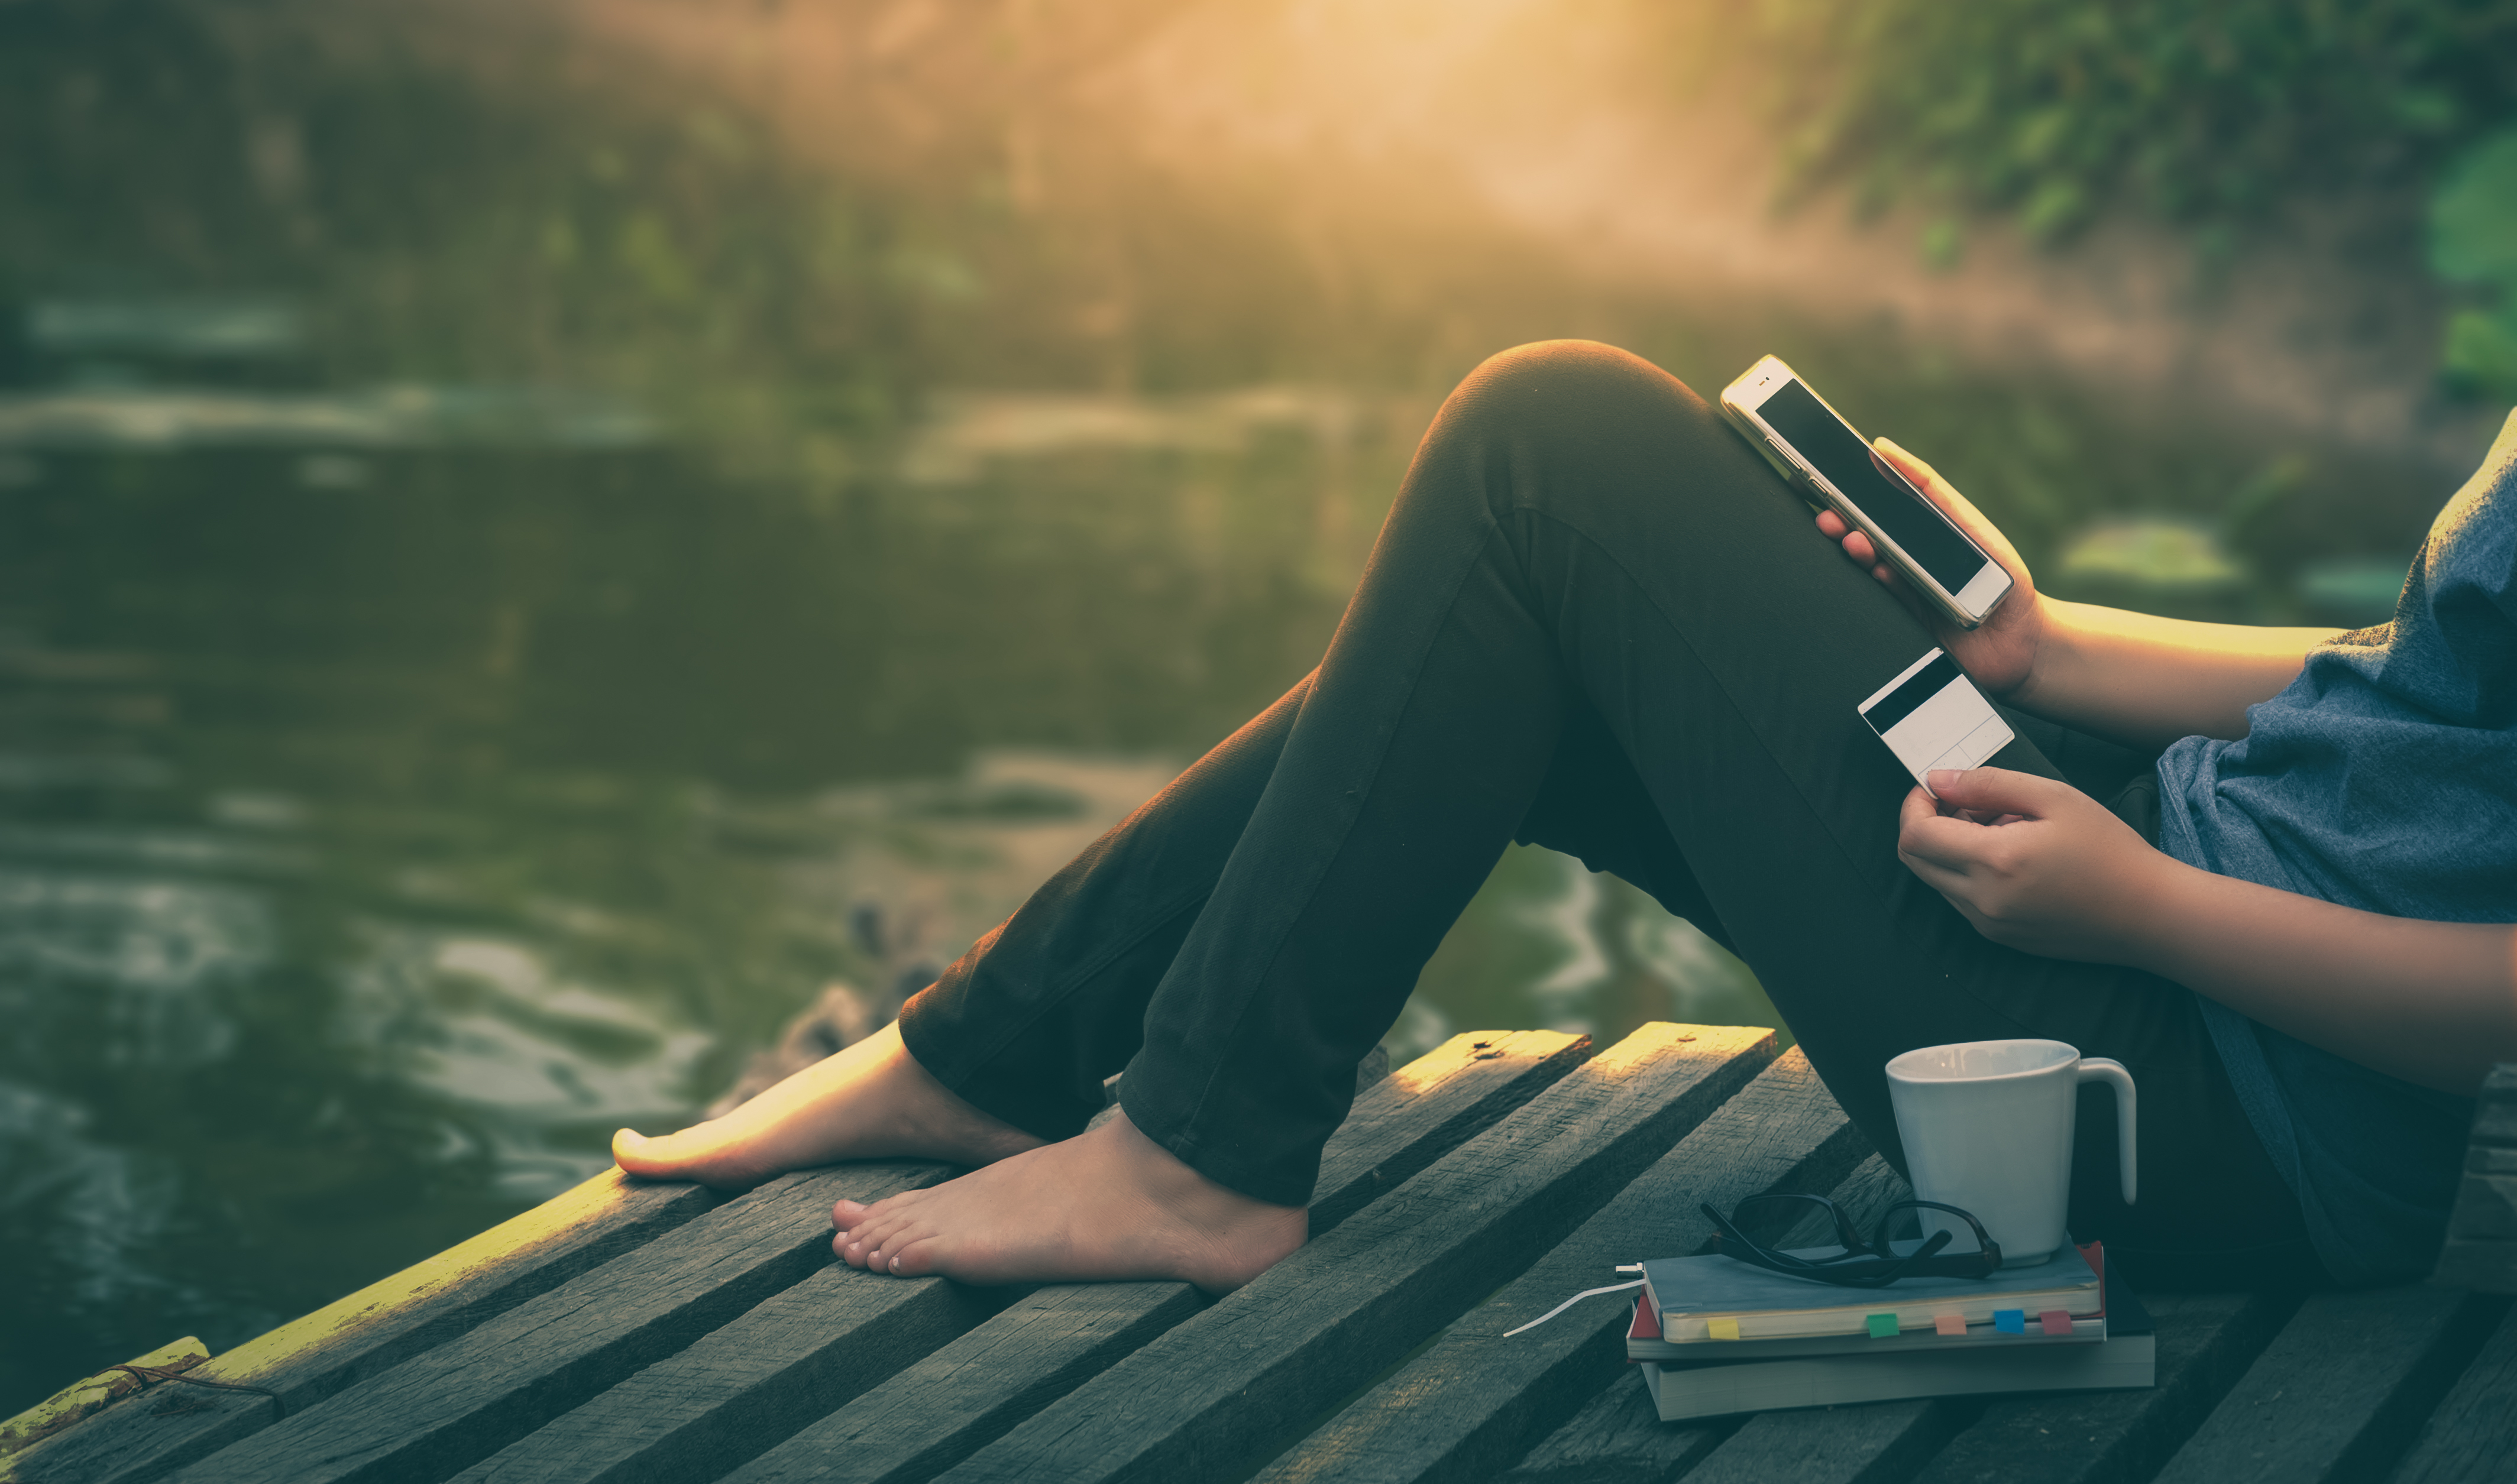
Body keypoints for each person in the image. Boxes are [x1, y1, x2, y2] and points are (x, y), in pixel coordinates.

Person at [613, 342, 2517, 1295]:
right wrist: (2044, 646)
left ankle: (1196, 1160)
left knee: (1552, 446)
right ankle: (991, 1050)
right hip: (2169, 885)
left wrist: (2142, 918)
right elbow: (2424, 682)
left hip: (2217, 1116)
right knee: (1547, 643)